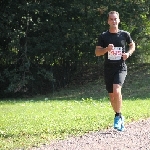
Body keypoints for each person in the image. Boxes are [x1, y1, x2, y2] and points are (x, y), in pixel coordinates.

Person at [95, 11, 135, 131]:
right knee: (112, 96)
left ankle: (117, 117)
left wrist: (128, 53)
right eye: (111, 19)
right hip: (108, 68)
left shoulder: (124, 34)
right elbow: (97, 52)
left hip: (120, 67)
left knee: (117, 90)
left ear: (119, 20)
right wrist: (107, 49)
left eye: (115, 19)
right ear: (108, 21)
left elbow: (132, 45)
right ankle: (119, 115)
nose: (113, 21)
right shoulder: (103, 36)